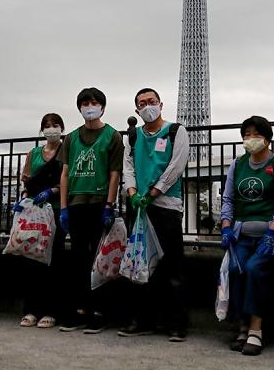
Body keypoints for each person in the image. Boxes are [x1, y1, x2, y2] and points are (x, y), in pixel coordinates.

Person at [219, 115, 274, 356]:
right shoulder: (237, 164)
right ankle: (242, 323)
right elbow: (229, 198)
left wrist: (273, 233)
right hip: (242, 233)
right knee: (235, 270)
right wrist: (226, 226)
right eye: (247, 134)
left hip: (269, 234)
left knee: (255, 269)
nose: (251, 139)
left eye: (256, 134)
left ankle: (256, 328)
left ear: (267, 138)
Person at [120, 88, 190, 342]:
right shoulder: (133, 137)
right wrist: (132, 192)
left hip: (166, 205)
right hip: (138, 206)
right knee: (139, 263)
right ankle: (141, 318)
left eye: (151, 101)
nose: (147, 106)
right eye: (142, 103)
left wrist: (153, 192)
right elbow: (127, 166)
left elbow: (176, 165)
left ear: (161, 104)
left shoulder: (175, 131)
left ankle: (177, 322)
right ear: (137, 109)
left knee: (172, 264)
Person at [58, 87, 124, 334]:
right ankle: (79, 310)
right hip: (75, 203)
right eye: (85, 103)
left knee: (99, 259)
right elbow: (65, 173)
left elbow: (114, 173)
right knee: (77, 259)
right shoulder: (72, 138)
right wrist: (64, 207)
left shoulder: (112, 136)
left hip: (98, 202)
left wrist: (109, 204)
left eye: (94, 102)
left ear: (103, 107)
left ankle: (99, 311)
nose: (90, 106)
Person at [13, 113, 68, 329]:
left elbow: (68, 179)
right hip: (34, 213)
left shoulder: (66, 151)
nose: (51, 129)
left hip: (55, 210)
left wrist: (52, 191)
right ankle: (31, 309)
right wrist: (24, 198)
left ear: (62, 128)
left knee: (54, 261)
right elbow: (26, 179)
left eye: (55, 125)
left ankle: (51, 310)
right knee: (31, 260)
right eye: (47, 126)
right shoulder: (34, 153)